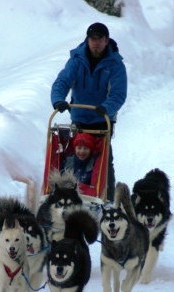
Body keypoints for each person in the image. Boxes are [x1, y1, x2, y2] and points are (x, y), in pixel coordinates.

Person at [51, 22, 127, 201]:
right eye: (93, 39)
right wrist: (58, 100)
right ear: (88, 39)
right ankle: (70, 196)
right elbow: (62, 81)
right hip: (79, 119)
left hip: (102, 120)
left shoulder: (115, 64)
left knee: (103, 161)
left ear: (106, 40)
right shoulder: (77, 60)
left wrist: (107, 108)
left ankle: (107, 199)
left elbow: (119, 93)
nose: (96, 43)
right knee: (74, 158)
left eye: (100, 39)